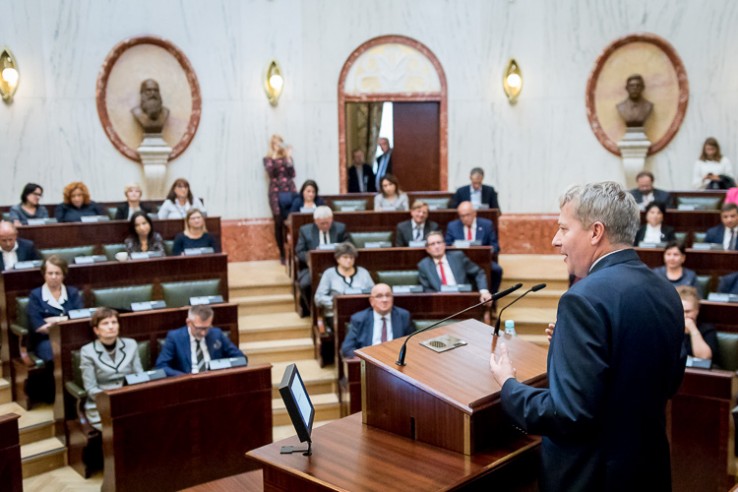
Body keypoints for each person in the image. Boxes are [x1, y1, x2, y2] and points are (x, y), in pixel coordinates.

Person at [490, 182, 685, 491]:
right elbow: (668, 380)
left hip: (593, 477)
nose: (555, 240)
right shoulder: (665, 291)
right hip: (648, 471)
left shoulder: (582, 298)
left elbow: (568, 414)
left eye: (563, 229)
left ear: (596, 232)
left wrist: (509, 386)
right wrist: (573, 349)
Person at [26, 255, 83, 403]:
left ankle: (77, 393)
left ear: (64, 274)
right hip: (45, 340)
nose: (53, 277)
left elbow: (79, 318)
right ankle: (58, 396)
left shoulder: (72, 293)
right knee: (54, 353)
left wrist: (53, 320)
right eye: (50, 273)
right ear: (44, 274)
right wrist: (65, 319)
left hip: (71, 338)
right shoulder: (36, 295)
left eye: (57, 273)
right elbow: (39, 327)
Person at [79, 308, 143, 430]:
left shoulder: (131, 344)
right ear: (96, 330)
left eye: (114, 322)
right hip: (102, 406)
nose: (111, 327)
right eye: (105, 323)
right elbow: (91, 389)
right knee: (119, 429)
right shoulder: (87, 351)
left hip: (131, 402)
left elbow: (139, 377)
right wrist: (113, 399)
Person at [154, 305, 245, 377]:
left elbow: (241, 358)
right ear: (188, 322)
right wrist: (185, 377)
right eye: (199, 328)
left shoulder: (217, 334)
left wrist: (220, 369)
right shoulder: (175, 337)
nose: (203, 333)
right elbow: (161, 366)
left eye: (207, 328)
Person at [295, 206, 348, 316]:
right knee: (305, 284)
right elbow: (299, 251)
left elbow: (349, 247)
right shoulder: (305, 230)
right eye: (322, 223)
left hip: (337, 267)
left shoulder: (340, 228)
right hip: (313, 268)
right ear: (315, 221)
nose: (325, 226)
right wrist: (310, 259)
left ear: (331, 219)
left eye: (327, 223)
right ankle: (312, 310)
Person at [340, 283, 413, 359]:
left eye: (388, 295)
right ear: (371, 301)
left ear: (392, 298)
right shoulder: (359, 319)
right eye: (379, 296)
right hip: (370, 360)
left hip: (395, 360)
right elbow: (347, 348)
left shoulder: (403, 316)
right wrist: (365, 360)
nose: (384, 300)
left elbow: (412, 345)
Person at [417, 231, 492, 303]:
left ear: (444, 244)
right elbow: (426, 290)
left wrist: (484, 292)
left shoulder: (458, 257)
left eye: (439, 242)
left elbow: (478, 272)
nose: (437, 246)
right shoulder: (424, 265)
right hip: (440, 302)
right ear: (427, 249)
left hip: (463, 299)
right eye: (432, 244)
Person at [444, 201, 503, 293]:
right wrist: (453, 247)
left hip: (482, 260)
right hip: (460, 261)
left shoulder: (487, 225)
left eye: (468, 215)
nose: (465, 218)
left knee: (497, 270)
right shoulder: (453, 226)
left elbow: (495, 246)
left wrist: (486, 252)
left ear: (474, 213)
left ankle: (493, 296)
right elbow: (447, 246)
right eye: (462, 216)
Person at [314, 242, 374, 330]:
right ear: (338, 259)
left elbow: (374, 292)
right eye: (345, 257)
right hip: (336, 314)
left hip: (361, 313)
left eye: (351, 257)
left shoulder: (363, 273)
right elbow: (318, 298)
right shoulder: (329, 274)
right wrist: (337, 303)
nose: (349, 260)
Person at [264, 134, 297, 262]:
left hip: (289, 190)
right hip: (275, 192)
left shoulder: (287, 158)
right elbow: (271, 172)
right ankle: (282, 254)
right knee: (278, 222)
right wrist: (274, 155)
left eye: (280, 142)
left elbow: (292, 174)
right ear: (272, 145)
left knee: (290, 220)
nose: (278, 145)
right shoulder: (267, 158)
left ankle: (292, 252)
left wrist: (288, 157)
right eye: (275, 143)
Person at [677, 286, 718, 361]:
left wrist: (693, 330)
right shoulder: (668, 328)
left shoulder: (707, 329)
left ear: (697, 310)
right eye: (680, 311)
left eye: (688, 311)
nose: (684, 315)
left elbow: (704, 357)